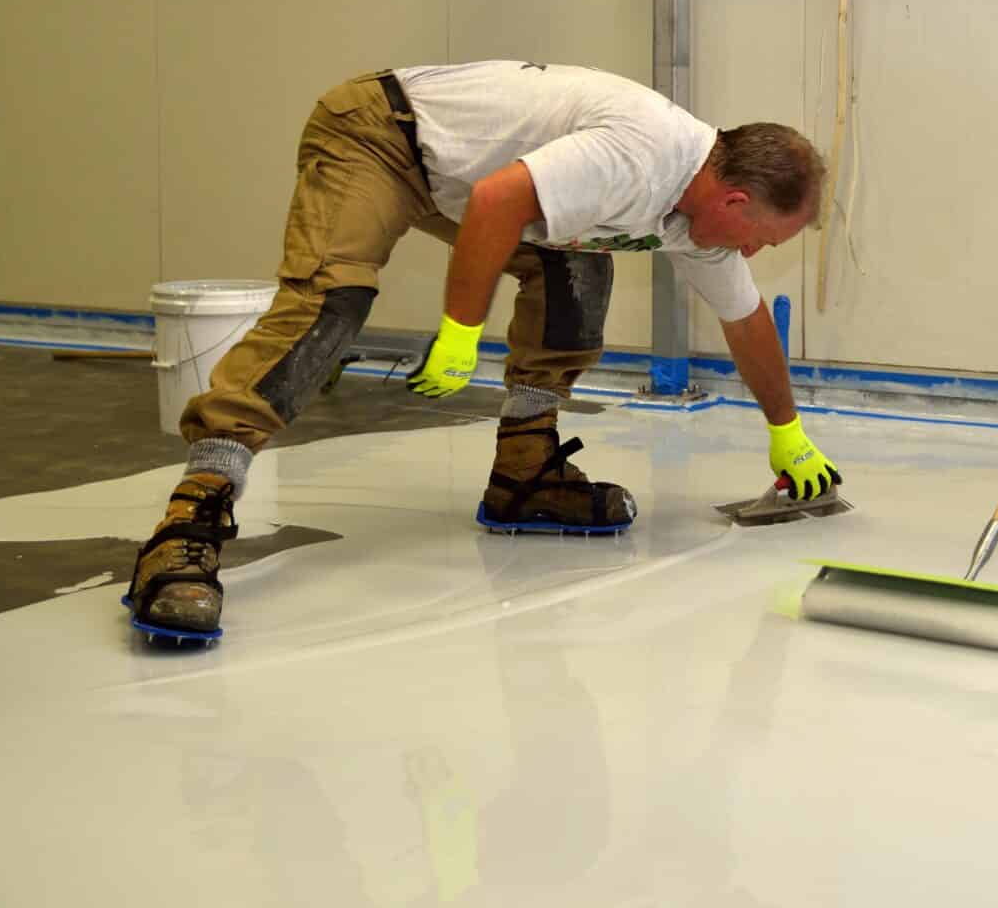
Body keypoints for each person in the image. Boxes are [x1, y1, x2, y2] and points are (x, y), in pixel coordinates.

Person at [127, 60, 839, 641]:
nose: (751, 253)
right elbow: (499, 201)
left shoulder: (698, 218)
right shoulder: (644, 152)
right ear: (738, 201)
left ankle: (525, 470)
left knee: (578, 265)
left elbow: (746, 322)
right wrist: (459, 330)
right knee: (332, 298)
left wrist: (789, 435)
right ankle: (191, 515)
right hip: (380, 134)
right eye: (760, 240)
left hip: (455, 173)